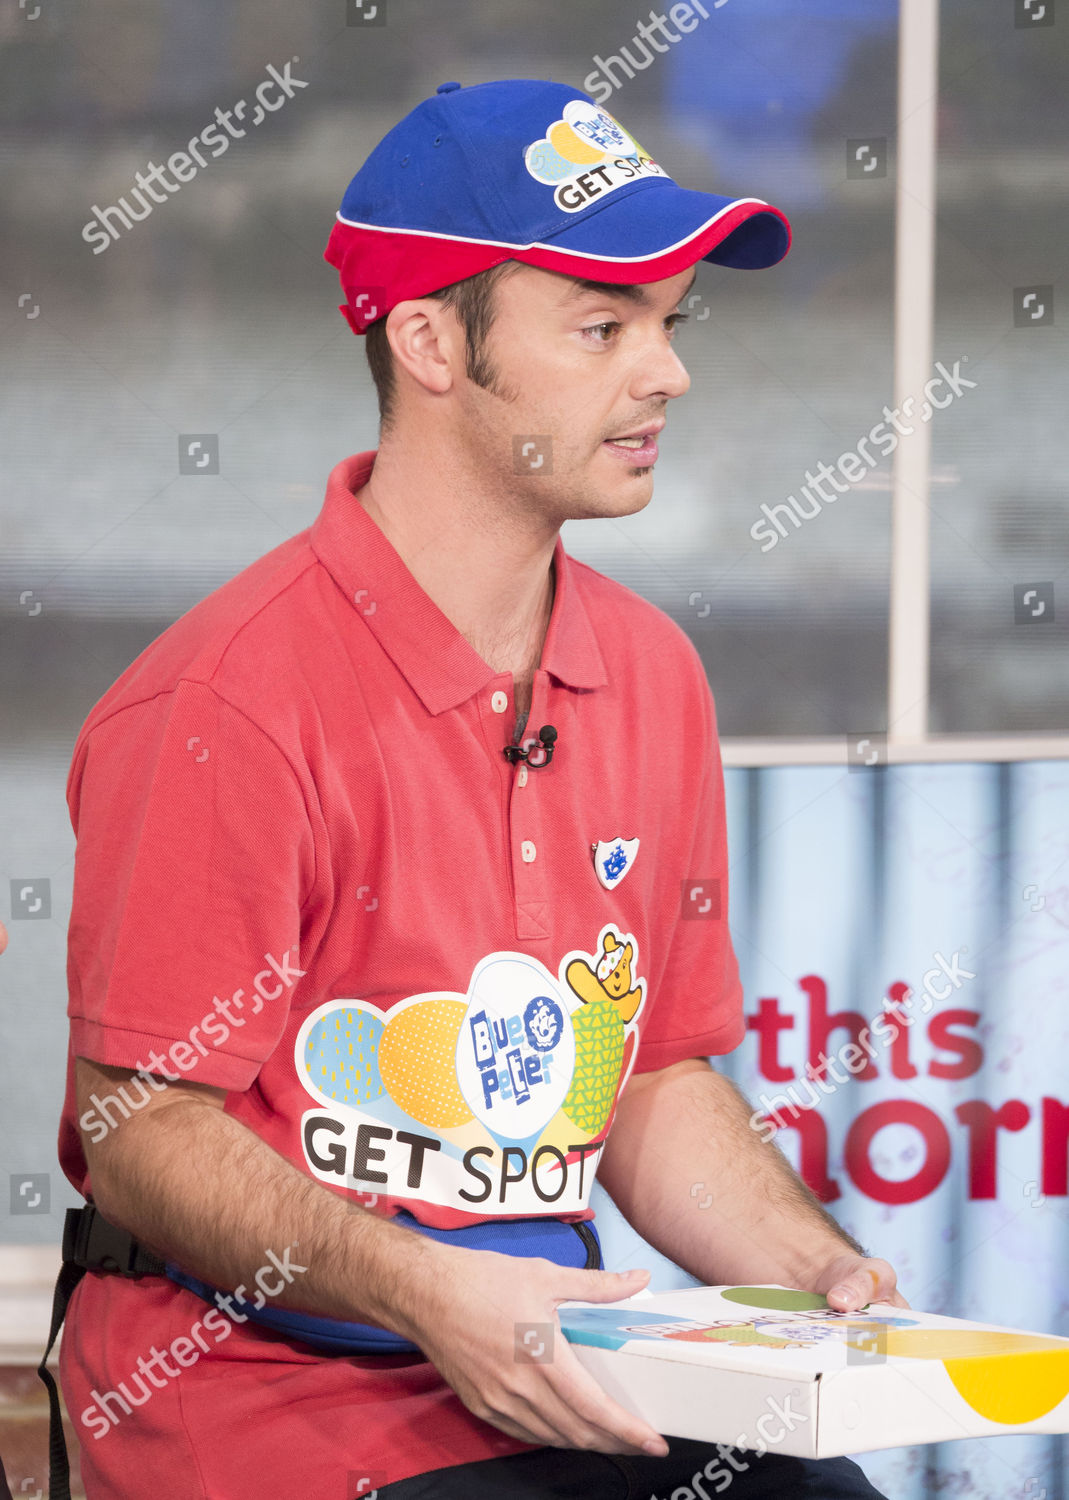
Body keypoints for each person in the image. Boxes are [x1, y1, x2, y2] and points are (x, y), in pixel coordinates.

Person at [54, 78, 904, 1499]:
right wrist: (429, 1292)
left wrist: (810, 1267)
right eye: (599, 326)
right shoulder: (226, 699)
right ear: (430, 343)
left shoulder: (652, 673)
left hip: (561, 1386)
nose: (666, 373)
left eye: (666, 324)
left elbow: (645, 1081)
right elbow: (137, 1133)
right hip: (271, 1412)